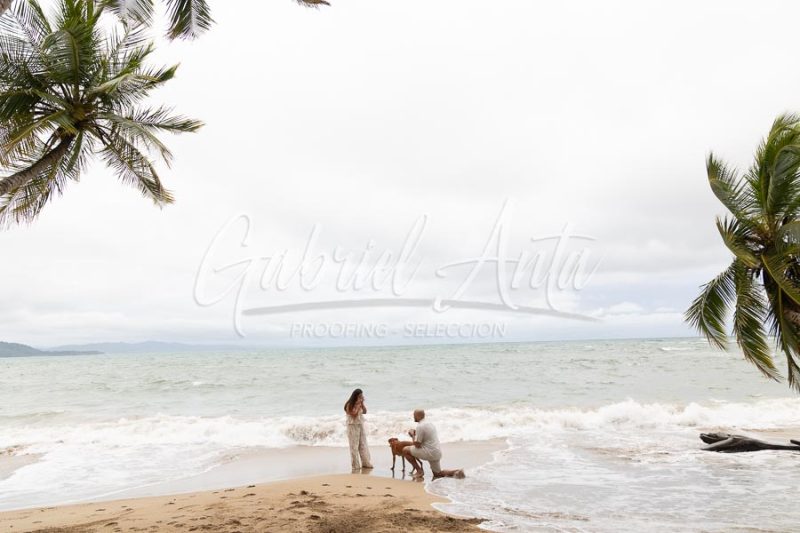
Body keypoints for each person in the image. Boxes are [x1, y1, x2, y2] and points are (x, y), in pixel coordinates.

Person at [403, 409, 464, 479]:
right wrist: (415, 434)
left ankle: (419, 471)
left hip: (429, 453)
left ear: (417, 416)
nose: (413, 417)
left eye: (414, 415)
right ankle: (457, 471)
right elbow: (425, 439)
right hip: (436, 452)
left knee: (405, 450)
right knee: (438, 474)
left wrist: (412, 435)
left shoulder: (420, 426)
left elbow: (417, 445)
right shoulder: (429, 424)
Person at [344, 388, 373, 471]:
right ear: (355, 396)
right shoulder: (349, 404)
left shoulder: (359, 403)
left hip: (360, 425)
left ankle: (365, 463)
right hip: (352, 426)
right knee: (354, 446)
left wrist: (362, 404)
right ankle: (355, 465)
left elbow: (365, 411)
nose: (361, 397)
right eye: (359, 396)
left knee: (363, 444)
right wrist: (358, 404)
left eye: (361, 396)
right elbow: (353, 414)